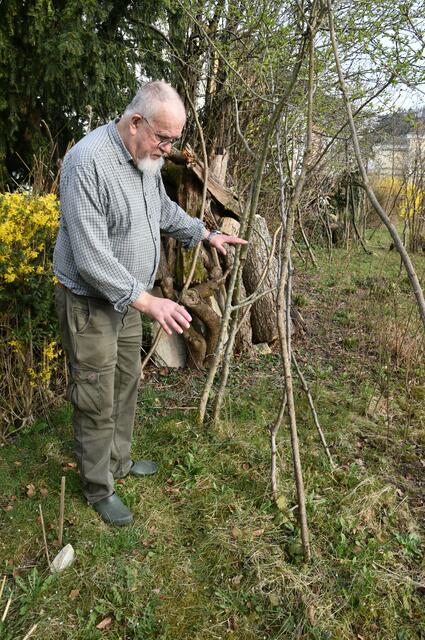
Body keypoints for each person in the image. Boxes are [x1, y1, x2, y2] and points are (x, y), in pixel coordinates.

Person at [53, 80, 246, 526]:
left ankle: (117, 462)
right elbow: (90, 257)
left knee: (125, 383)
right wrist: (148, 301)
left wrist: (205, 233)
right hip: (90, 303)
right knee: (95, 395)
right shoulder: (88, 163)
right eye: (164, 138)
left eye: (174, 140)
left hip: (126, 302)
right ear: (135, 122)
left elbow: (161, 210)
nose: (169, 148)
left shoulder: (145, 159)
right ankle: (98, 487)